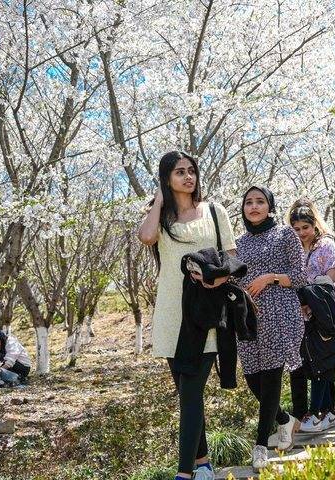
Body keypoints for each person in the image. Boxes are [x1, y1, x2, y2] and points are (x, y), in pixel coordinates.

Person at [138, 151, 236, 480]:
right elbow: (146, 237)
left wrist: (215, 277)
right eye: (179, 172)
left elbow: (232, 258)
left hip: (206, 312)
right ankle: (204, 462)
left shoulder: (213, 211)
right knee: (186, 394)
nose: (188, 177)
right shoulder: (161, 218)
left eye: (191, 171)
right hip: (170, 313)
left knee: (192, 391)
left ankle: (185, 473)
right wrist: (158, 200)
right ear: (167, 178)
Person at [236, 186, 305, 471]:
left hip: (280, 312)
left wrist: (269, 278)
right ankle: (284, 419)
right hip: (248, 315)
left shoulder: (285, 234)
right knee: (253, 379)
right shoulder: (237, 242)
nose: (254, 206)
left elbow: (300, 276)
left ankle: (260, 445)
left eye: (260, 201)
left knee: (272, 376)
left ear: (270, 206)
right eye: (249, 202)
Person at [289, 200, 335, 433]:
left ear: (314, 225)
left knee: (321, 360)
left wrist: (313, 301)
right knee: (315, 360)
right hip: (301, 310)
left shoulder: (325, 244)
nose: (301, 233)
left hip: (322, 308)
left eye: (305, 228)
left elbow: (331, 274)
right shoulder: (295, 247)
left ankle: (317, 412)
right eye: (296, 229)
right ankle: (330, 412)